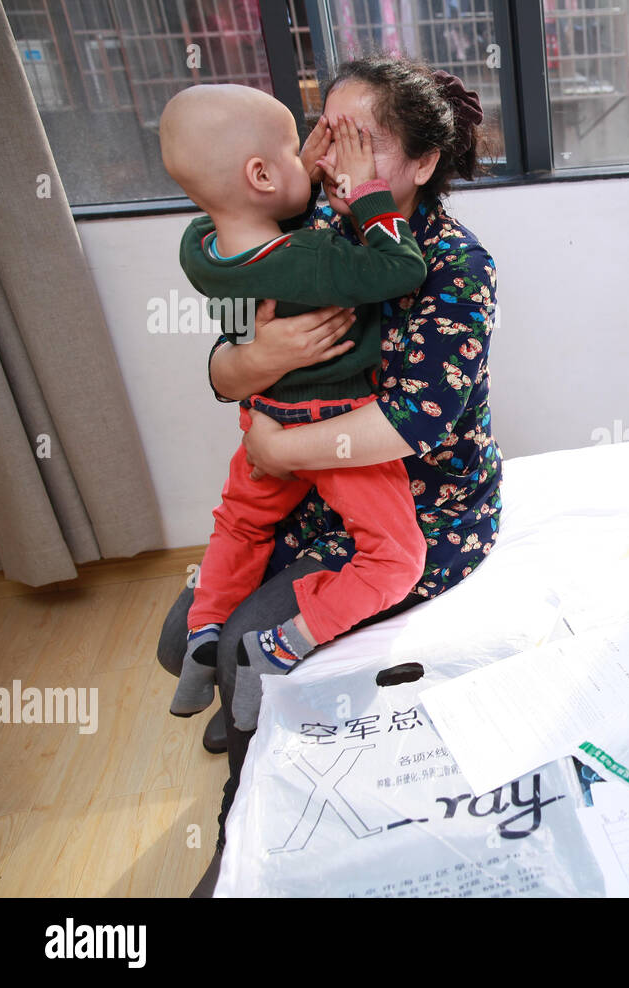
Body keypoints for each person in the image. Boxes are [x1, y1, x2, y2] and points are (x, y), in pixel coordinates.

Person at [155, 55, 503, 896]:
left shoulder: (453, 264)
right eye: (325, 135)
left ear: (420, 165)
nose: (332, 161)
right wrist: (251, 361)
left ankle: (247, 828)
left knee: (241, 650)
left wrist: (273, 451)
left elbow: (414, 422)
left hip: (419, 513)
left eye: (360, 143)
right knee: (180, 640)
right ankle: (258, 721)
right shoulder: (307, 221)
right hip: (312, 502)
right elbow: (227, 358)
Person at [159, 85, 430, 732]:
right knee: (395, 560)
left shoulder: (201, 251)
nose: (330, 160)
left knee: (238, 525)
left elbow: (235, 329)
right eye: (303, 146)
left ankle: (208, 630)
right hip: (332, 425)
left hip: (263, 422)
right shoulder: (313, 256)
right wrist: (367, 194)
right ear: (259, 174)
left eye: (359, 147)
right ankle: (278, 649)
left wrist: (291, 174)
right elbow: (399, 268)